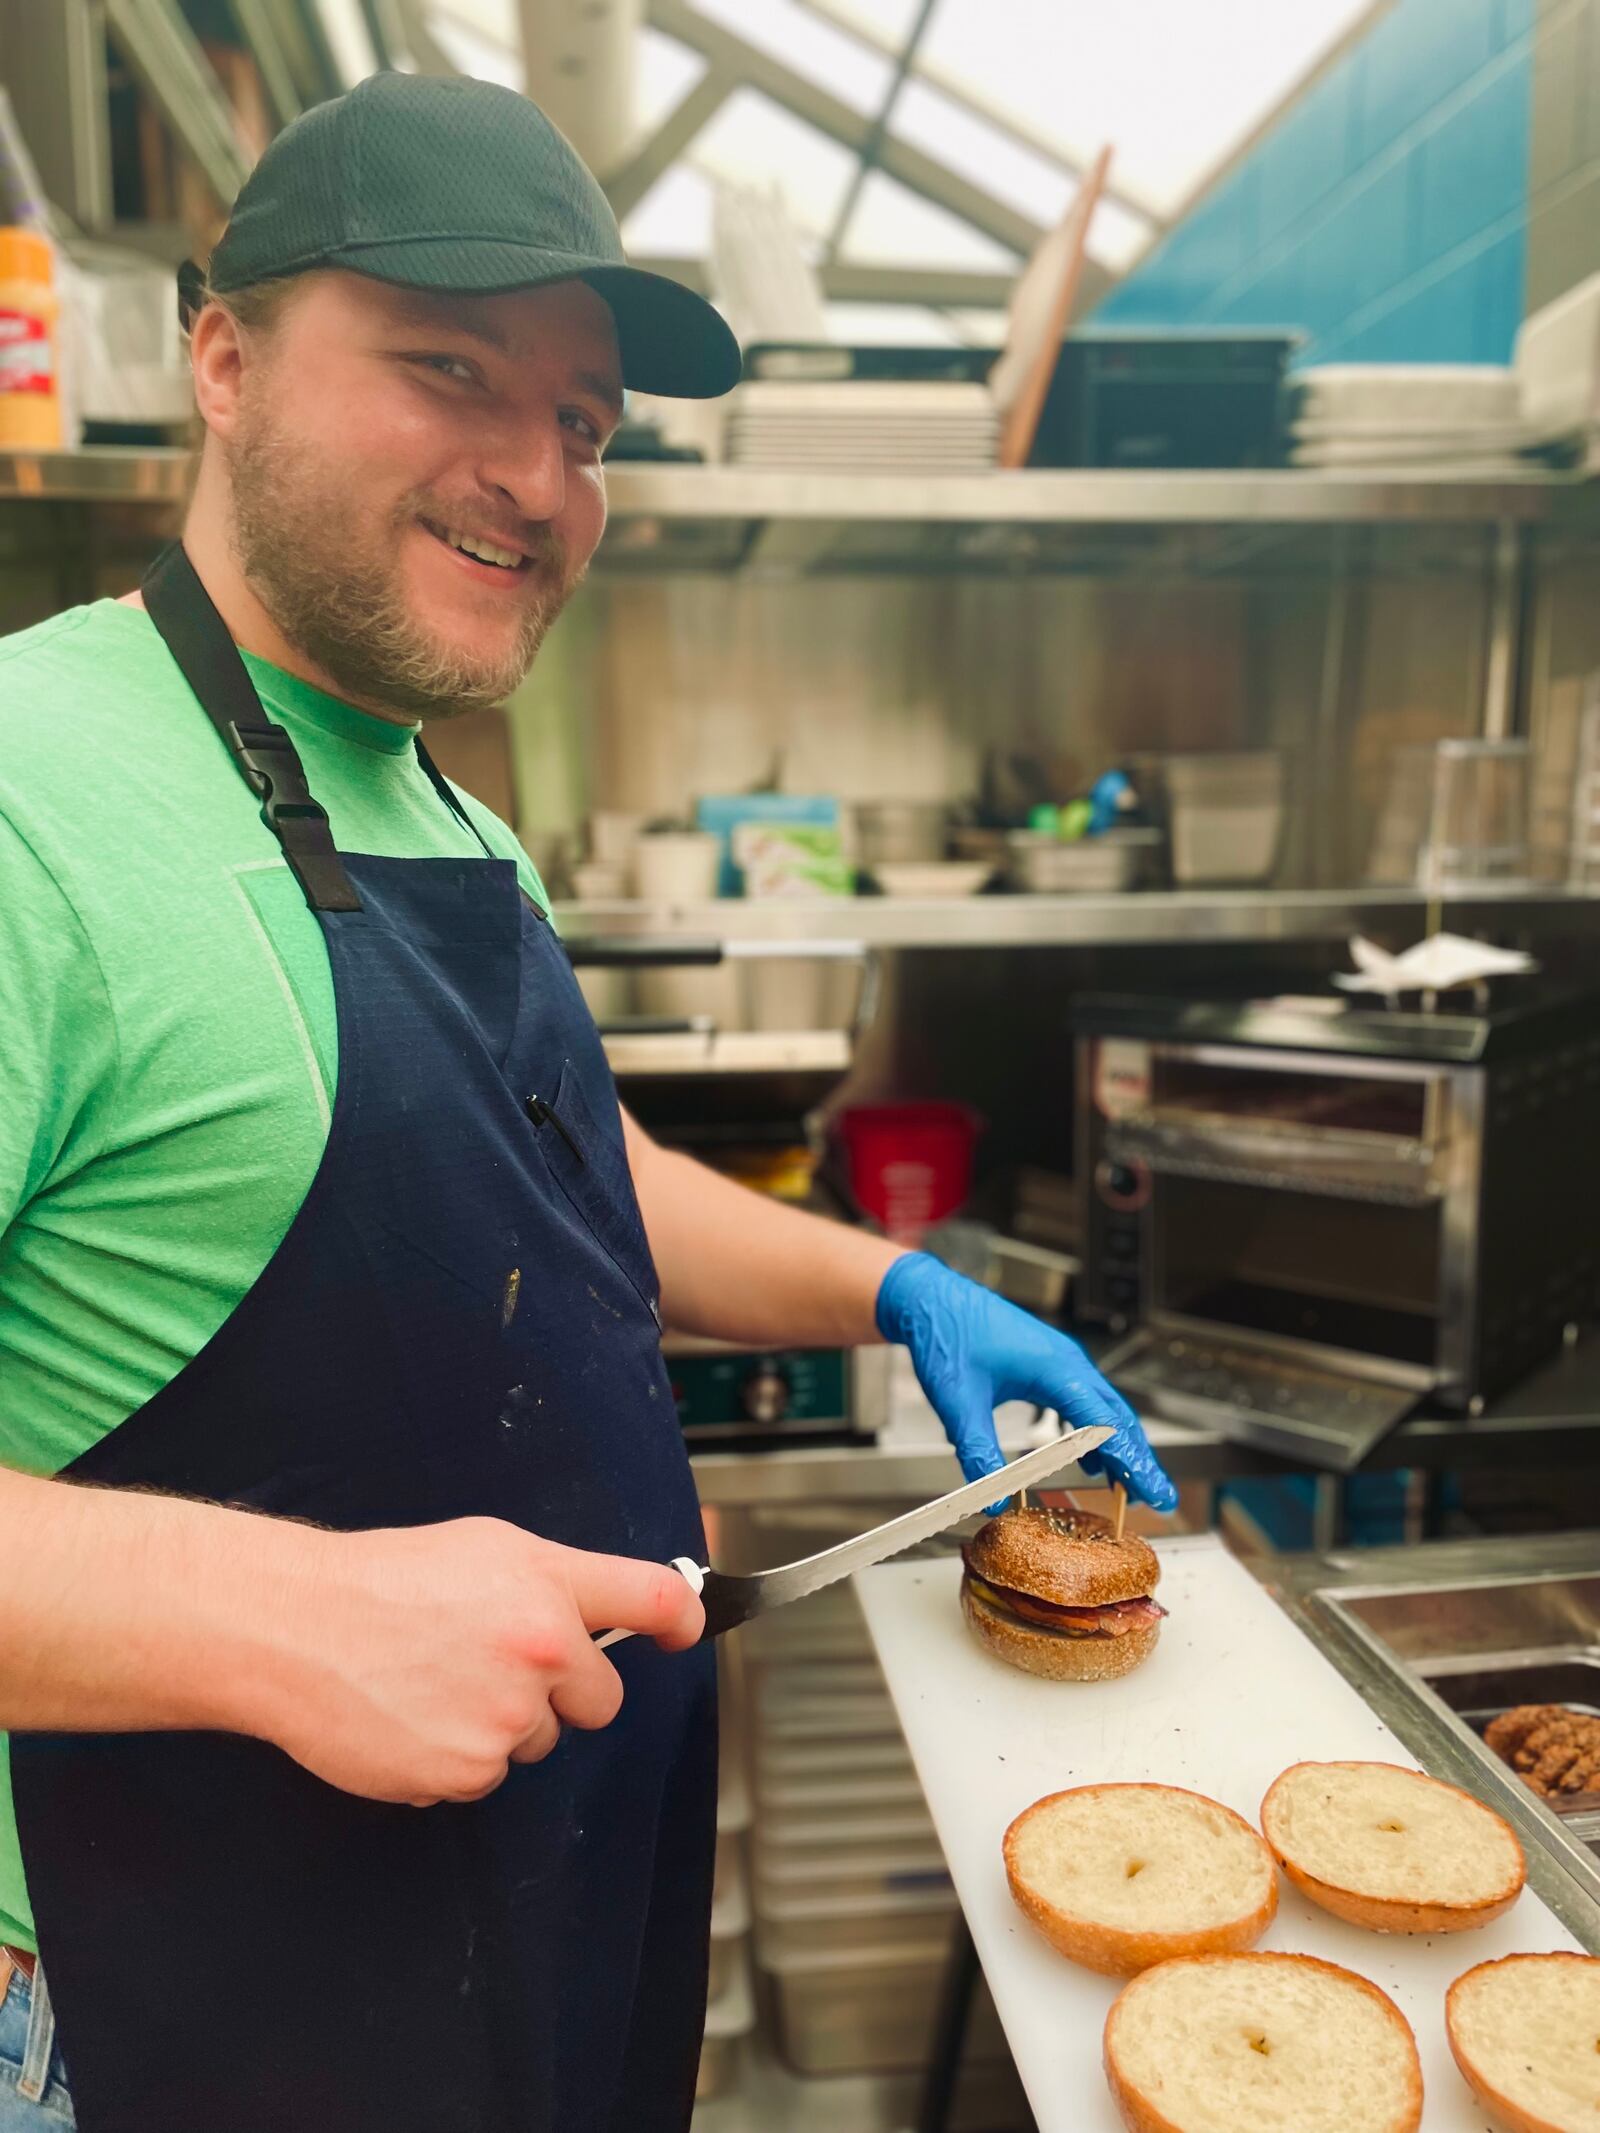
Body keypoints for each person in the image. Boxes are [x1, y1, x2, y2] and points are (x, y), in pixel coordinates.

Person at [0, 71, 1175, 2133]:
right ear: (223, 352)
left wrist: (889, 1289)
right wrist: (274, 1612)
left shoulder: (428, 793)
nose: (535, 473)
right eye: (447, 366)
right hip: (169, 1991)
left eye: (584, 422)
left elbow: (569, 1179)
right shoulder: (33, 792)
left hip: (529, 1913)